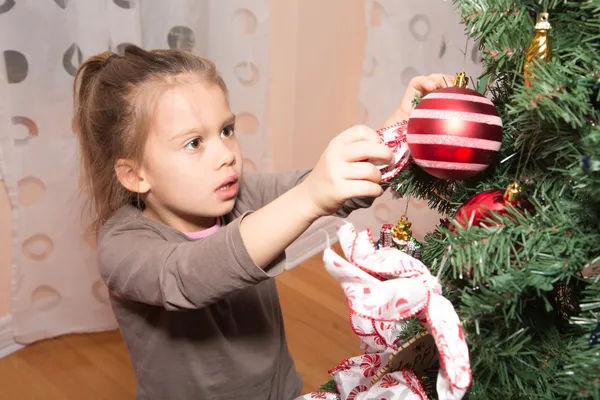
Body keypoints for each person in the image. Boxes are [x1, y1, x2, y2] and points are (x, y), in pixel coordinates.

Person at [73, 44, 451, 400]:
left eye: (226, 130)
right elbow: (190, 276)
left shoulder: (240, 196)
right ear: (135, 175)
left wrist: (401, 131)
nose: (226, 154)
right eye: (194, 143)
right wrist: (308, 197)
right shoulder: (122, 247)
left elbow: (340, 189)